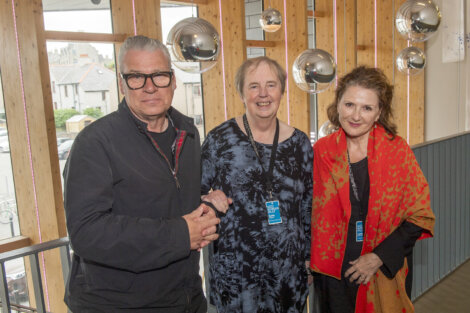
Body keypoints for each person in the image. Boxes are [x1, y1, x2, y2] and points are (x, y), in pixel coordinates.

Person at [63, 35, 221, 312]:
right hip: (119, 304)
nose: (149, 87)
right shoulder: (95, 142)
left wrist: (204, 206)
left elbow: (169, 196)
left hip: (186, 297)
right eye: (137, 77)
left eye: (158, 76)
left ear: (172, 80)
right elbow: (87, 232)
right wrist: (181, 234)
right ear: (122, 84)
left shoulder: (188, 133)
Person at [310, 66, 435, 313]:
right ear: (338, 105)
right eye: (349, 105)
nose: (356, 115)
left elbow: (418, 216)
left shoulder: (397, 151)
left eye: (367, 108)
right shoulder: (322, 151)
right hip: (334, 275)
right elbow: (307, 211)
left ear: (379, 112)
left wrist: (377, 257)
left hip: (381, 269)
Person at [201, 56, 313, 312]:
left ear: (282, 90)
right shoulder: (219, 140)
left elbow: (308, 204)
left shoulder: (300, 144)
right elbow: (192, 192)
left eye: (271, 85)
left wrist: (308, 259)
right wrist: (206, 199)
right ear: (241, 92)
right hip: (236, 273)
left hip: (287, 271)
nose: (263, 94)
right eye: (253, 86)